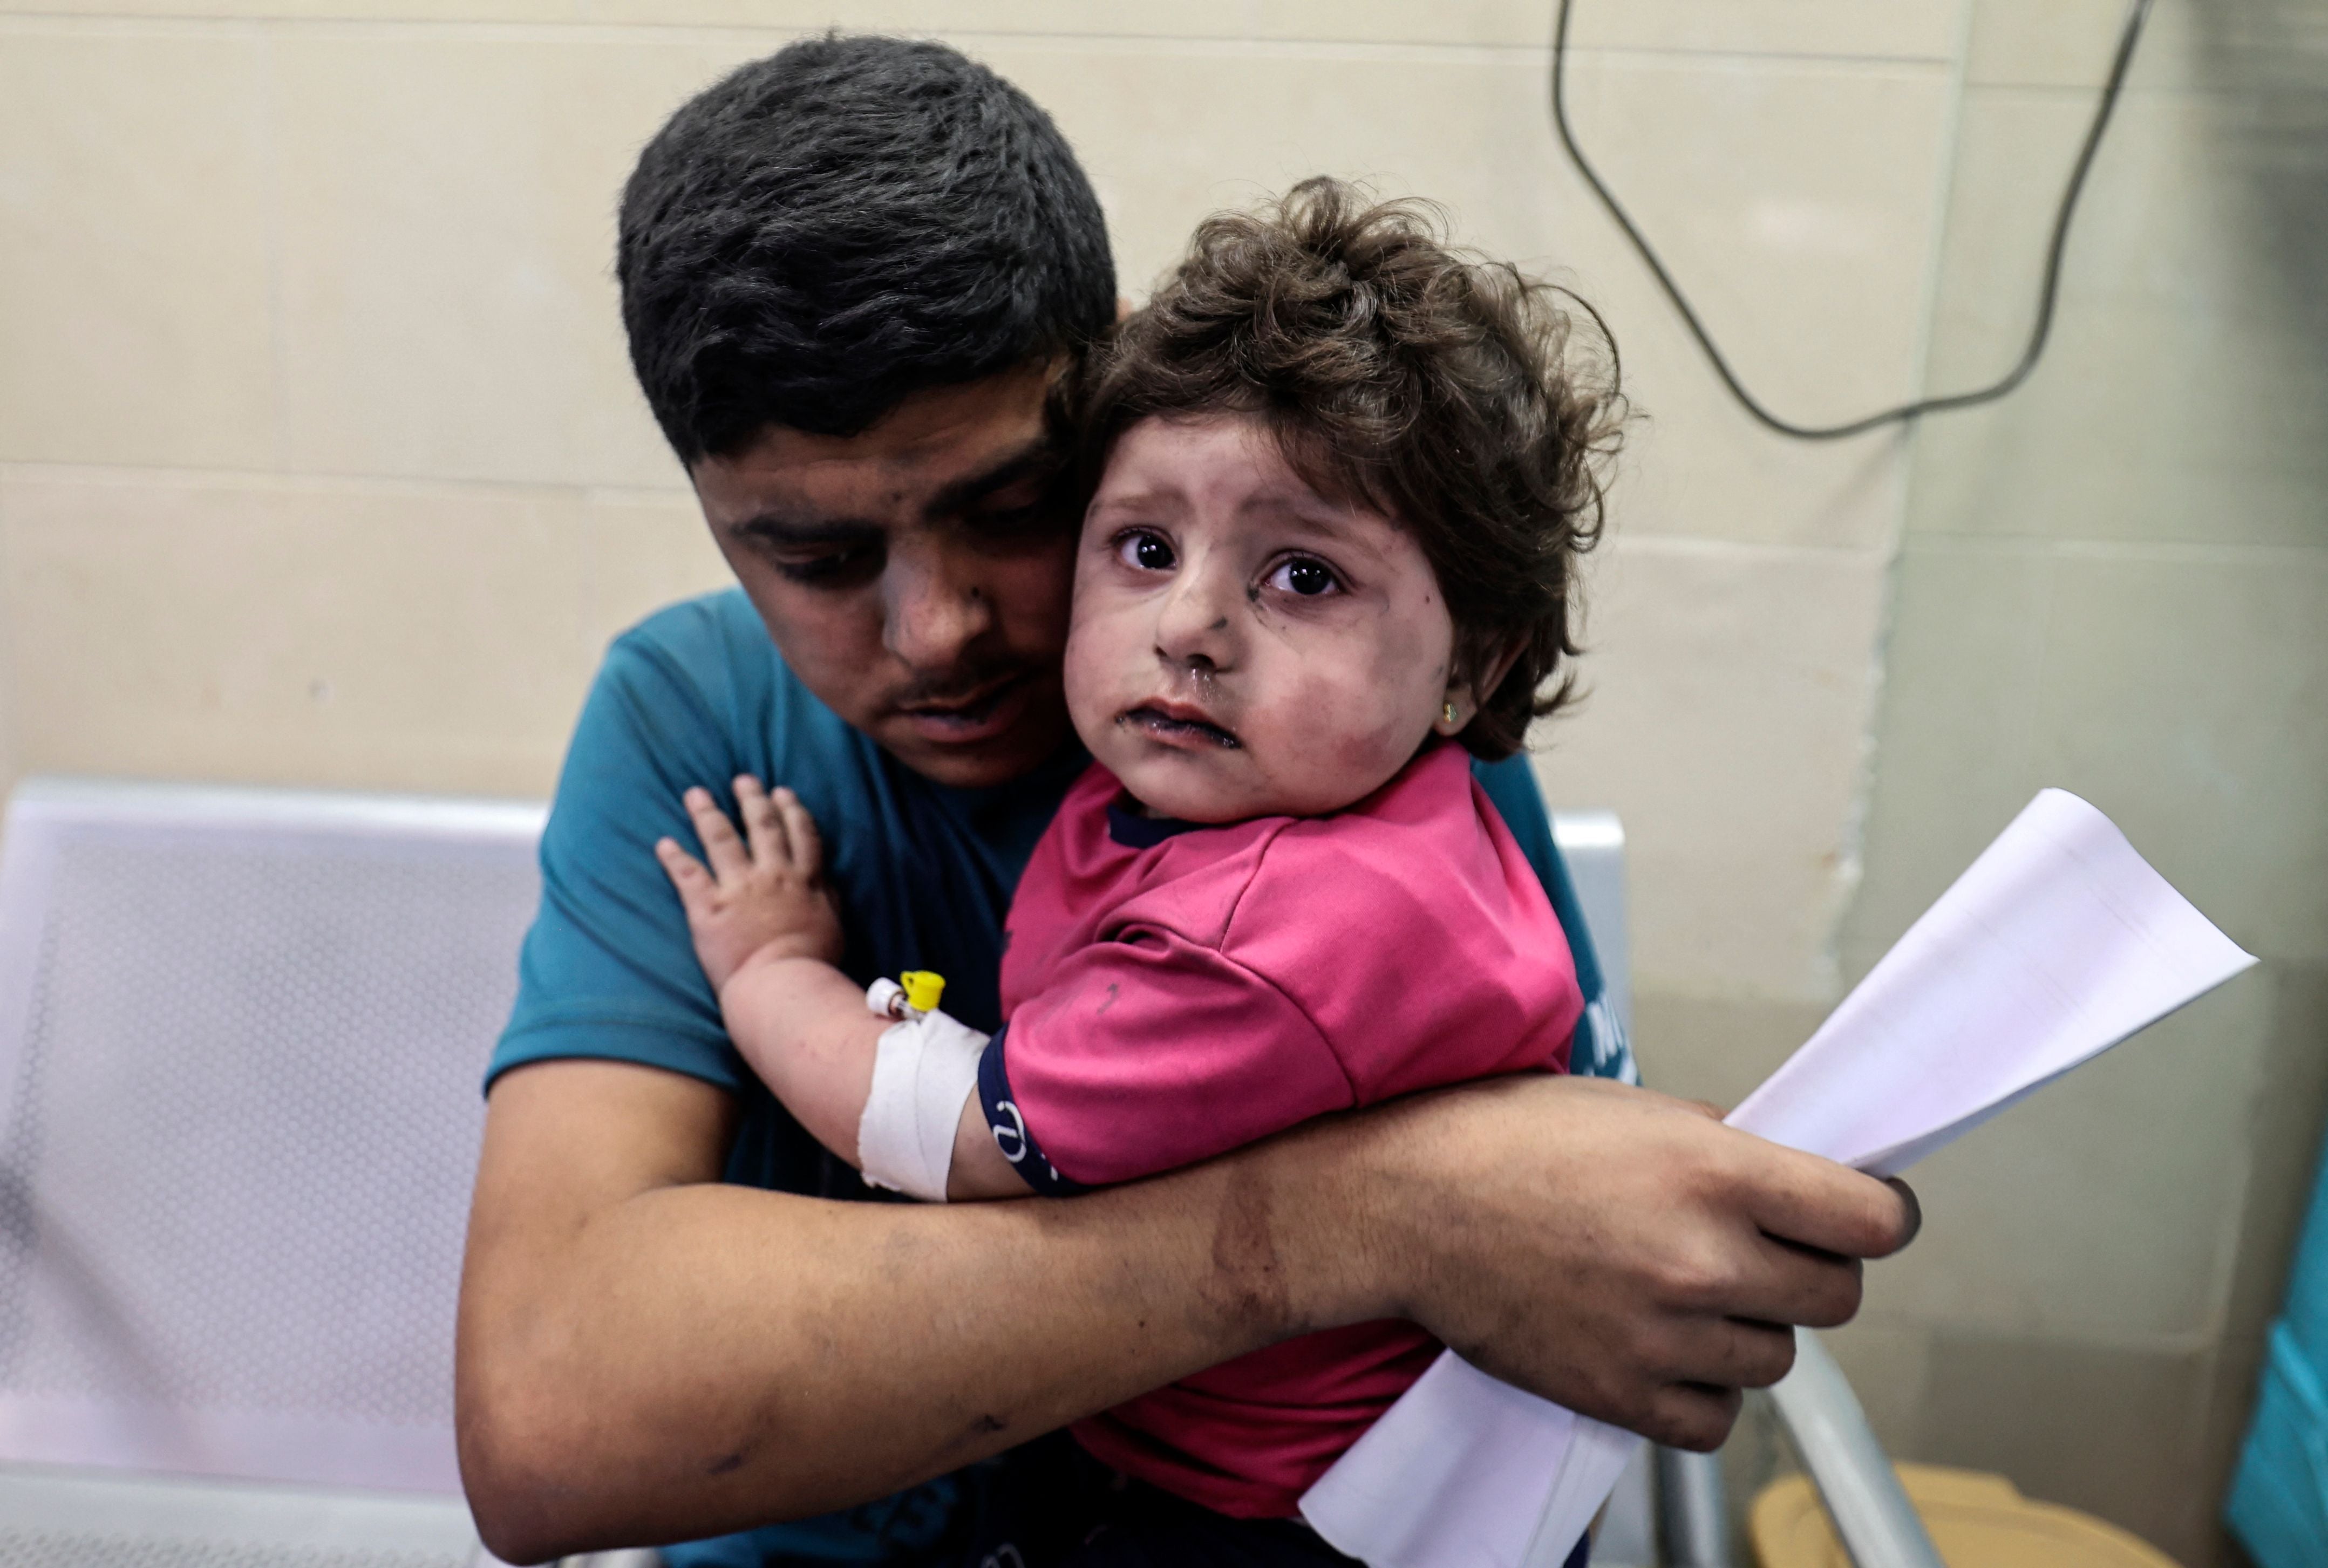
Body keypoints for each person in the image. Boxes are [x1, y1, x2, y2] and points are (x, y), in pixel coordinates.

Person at [453, 33, 1919, 1568]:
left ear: (1120, 383)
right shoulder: (697, 719)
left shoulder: (1341, 746)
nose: (936, 628)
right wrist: (1374, 1218)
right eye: (812, 559)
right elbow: (548, 1424)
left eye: (1014, 510)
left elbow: (1575, 1246)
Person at [652, 180, 1622, 1566]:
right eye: (1146, 547)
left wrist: (767, 968)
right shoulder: (1312, 795)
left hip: (1276, 1521)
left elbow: (946, 1131)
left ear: (1479, 664)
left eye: (1303, 576)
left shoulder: (1286, 937)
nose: (1189, 625)